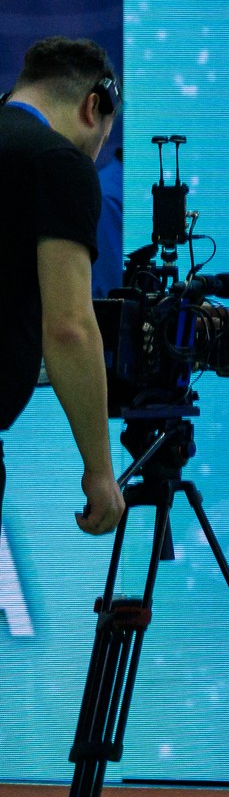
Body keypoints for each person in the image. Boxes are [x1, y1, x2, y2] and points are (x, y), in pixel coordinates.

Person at [0, 36, 125, 537]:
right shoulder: (57, 162)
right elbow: (70, 327)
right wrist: (100, 470)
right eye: (100, 143)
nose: (93, 157)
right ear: (92, 107)